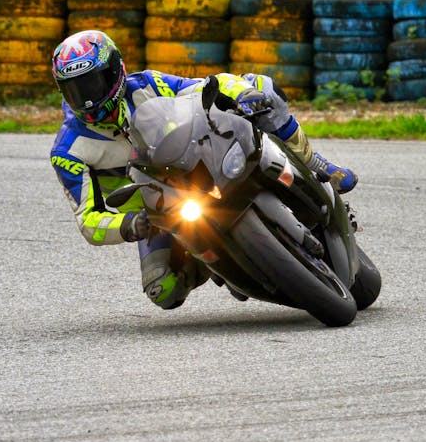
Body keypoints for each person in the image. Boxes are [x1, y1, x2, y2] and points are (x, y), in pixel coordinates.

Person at [49, 29, 358, 309]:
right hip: (157, 211)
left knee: (262, 88)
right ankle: (223, 263)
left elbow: (205, 86)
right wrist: (129, 225)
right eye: (75, 90)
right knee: (163, 290)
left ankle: (316, 165)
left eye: (92, 83)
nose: (87, 99)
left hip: (199, 163)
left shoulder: (148, 85)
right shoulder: (68, 150)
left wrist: (241, 94)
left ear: (115, 70)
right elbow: (88, 221)